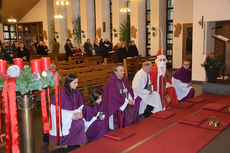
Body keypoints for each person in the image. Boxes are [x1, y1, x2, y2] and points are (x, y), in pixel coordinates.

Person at [49, 74, 87, 151]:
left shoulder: (77, 92)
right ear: (68, 83)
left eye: (77, 82)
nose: (77, 85)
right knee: (77, 124)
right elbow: (55, 110)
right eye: (75, 83)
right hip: (64, 118)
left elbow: (79, 106)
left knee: (80, 123)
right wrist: (72, 116)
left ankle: (74, 143)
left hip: (73, 115)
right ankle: (70, 143)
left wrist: (79, 113)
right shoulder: (61, 93)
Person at [102, 64, 139, 132]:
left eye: (123, 70)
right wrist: (127, 101)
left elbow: (129, 89)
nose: (123, 72)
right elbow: (114, 96)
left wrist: (130, 98)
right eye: (121, 71)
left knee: (133, 110)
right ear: (115, 72)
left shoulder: (123, 79)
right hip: (115, 104)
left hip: (124, 102)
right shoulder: (111, 82)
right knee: (123, 113)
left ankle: (131, 129)